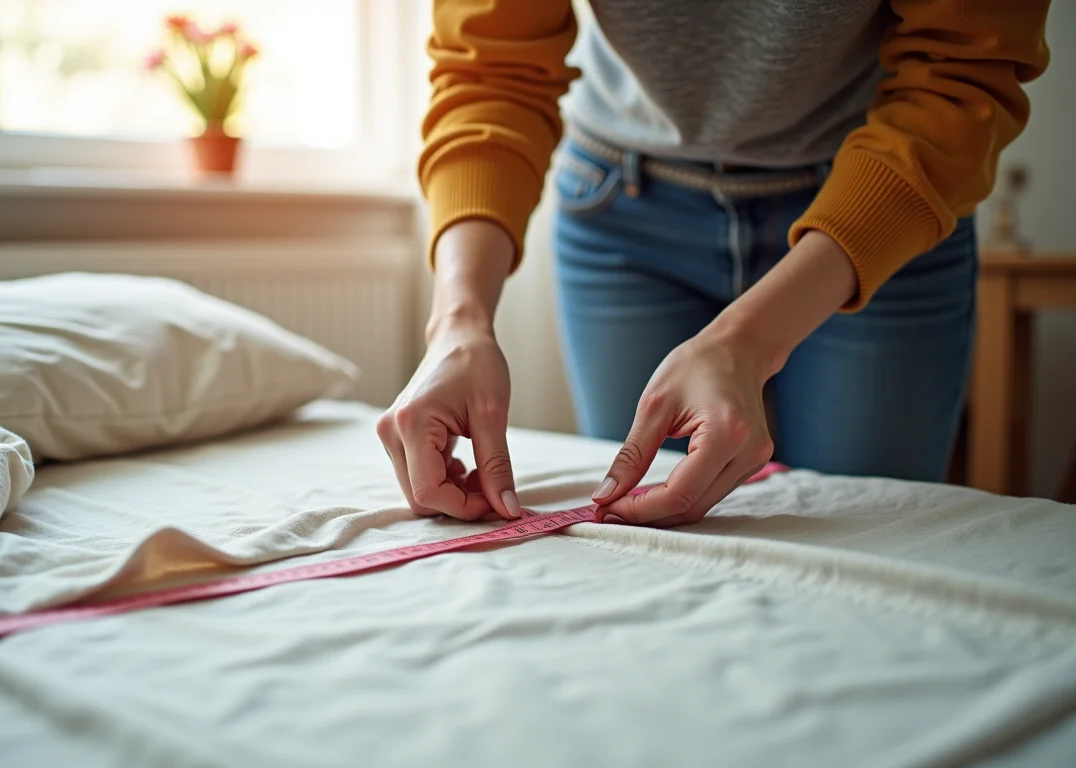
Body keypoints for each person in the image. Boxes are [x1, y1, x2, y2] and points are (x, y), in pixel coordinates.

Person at [376, 0, 1051, 527]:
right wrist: (458, 322)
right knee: (642, 548)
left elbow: (964, 72)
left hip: (878, 205)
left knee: (872, 537)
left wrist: (746, 341)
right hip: (622, 210)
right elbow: (490, 69)